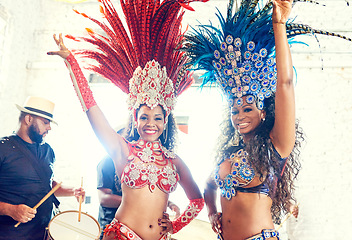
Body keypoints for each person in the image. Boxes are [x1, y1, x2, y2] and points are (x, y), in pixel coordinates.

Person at [47, 0, 207, 239]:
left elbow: (197, 201)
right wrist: (72, 63)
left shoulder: (175, 162)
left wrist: (175, 225)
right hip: (123, 234)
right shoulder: (123, 150)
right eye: (144, 117)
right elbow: (92, 110)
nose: (150, 123)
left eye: (157, 117)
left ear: (166, 121)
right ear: (135, 119)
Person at [183, 0, 306, 239]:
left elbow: (285, 84)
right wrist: (211, 212)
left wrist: (279, 24)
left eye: (247, 109)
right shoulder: (229, 154)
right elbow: (209, 186)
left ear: (263, 112)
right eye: (235, 110)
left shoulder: (276, 147)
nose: (239, 116)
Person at [0, 96, 85, 240]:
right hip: (10, 235)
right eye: (45, 122)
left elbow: (45, 185)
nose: (49, 127)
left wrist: (72, 191)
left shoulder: (47, 150)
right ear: (28, 119)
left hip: (43, 233)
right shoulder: (3, 148)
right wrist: (10, 210)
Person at [97, 153, 181, 239]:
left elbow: (146, 193)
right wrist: (141, 204)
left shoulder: (143, 160)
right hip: (115, 228)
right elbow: (104, 199)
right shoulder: (108, 161)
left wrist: (169, 204)